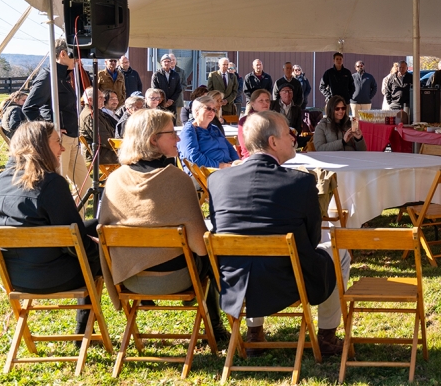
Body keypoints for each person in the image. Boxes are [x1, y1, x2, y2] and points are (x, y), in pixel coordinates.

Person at [208, 110, 349, 357]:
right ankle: (326, 336)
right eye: (288, 133)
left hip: (235, 282)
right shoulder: (300, 182)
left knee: (250, 250)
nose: (294, 138)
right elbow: (313, 239)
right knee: (341, 252)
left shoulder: (218, 180)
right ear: (272, 142)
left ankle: (254, 332)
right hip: (289, 281)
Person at [98, 109, 229, 344]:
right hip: (177, 278)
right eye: (172, 133)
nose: (178, 139)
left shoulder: (114, 179)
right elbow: (200, 246)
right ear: (153, 140)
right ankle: (215, 327)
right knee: (212, 253)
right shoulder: (177, 179)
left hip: (129, 277)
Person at [0, 121, 101, 339]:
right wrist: (101, 250)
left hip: (17, 276)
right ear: (39, 145)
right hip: (54, 276)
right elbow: (74, 241)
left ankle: (84, 328)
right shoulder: (52, 183)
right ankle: (83, 329)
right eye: (57, 143)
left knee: (92, 227)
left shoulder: (1, 181)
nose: (62, 149)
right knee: (97, 246)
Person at [22, 37, 89, 205]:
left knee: (86, 187)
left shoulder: (65, 76)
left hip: (74, 140)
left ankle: (76, 226)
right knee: (58, 187)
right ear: (63, 54)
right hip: (59, 142)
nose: (78, 59)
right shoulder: (48, 76)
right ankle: (62, 227)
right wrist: (49, 130)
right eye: (75, 55)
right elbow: (29, 108)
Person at [178, 95, 239, 170]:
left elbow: (230, 148)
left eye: (214, 110)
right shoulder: (189, 130)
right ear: (197, 111)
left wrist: (236, 163)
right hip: (204, 173)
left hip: (225, 170)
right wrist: (220, 165)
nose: (212, 112)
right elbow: (192, 156)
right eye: (208, 108)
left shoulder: (214, 129)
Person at [79, 88, 118, 165]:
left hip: (105, 150)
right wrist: (121, 146)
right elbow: (103, 139)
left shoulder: (96, 112)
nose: (104, 99)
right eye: (100, 97)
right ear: (90, 100)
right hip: (99, 154)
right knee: (133, 156)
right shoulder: (90, 115)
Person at [238, 89, 272, 158]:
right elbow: (246, 149)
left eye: (267, 100)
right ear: (252, 104)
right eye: (261, 101)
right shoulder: (244, 121)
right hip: (252, 159)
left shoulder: (274, 119)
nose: (265, 103)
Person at [152, 53, 182, 118]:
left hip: (172, 104)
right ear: (161, 63)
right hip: (160, 104)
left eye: (168, 61)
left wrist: (172, 100)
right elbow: (155, 89)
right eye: (165, 61)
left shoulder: (175, 75)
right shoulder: (156, 75)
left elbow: (178, 89)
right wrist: (164, 101)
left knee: (172, 123)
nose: (167, 63)